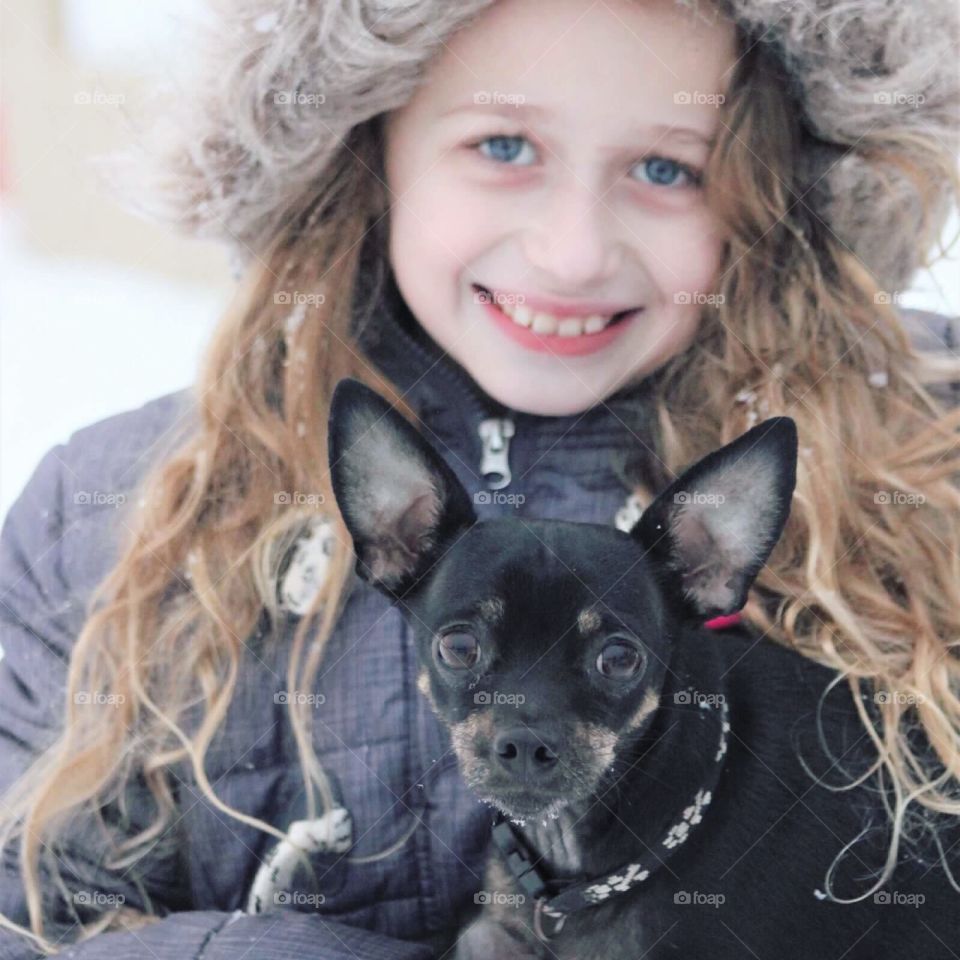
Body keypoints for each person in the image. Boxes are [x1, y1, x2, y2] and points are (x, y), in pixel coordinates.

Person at [1, 0, 959, 956]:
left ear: (766, 194)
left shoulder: (929, 460)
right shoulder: (113, 519)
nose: (573, 250)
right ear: (361, 151)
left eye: (667, 167)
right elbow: (26, 916)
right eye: (505, 146)